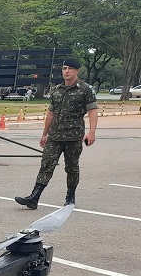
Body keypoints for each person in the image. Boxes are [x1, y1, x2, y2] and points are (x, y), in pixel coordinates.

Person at [15, 58, 97, 208]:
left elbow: (92, 111)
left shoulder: (85, 89)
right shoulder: (56, 90)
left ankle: (70, 197)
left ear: (77, 71)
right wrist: (44, 134)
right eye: (64, 68)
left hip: (73, 135)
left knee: (71, 167)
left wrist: (92, 132)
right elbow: (50, 114)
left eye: (70, 68)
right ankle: (34, 197)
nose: (66, 71)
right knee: (46, 165)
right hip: (54, 135)